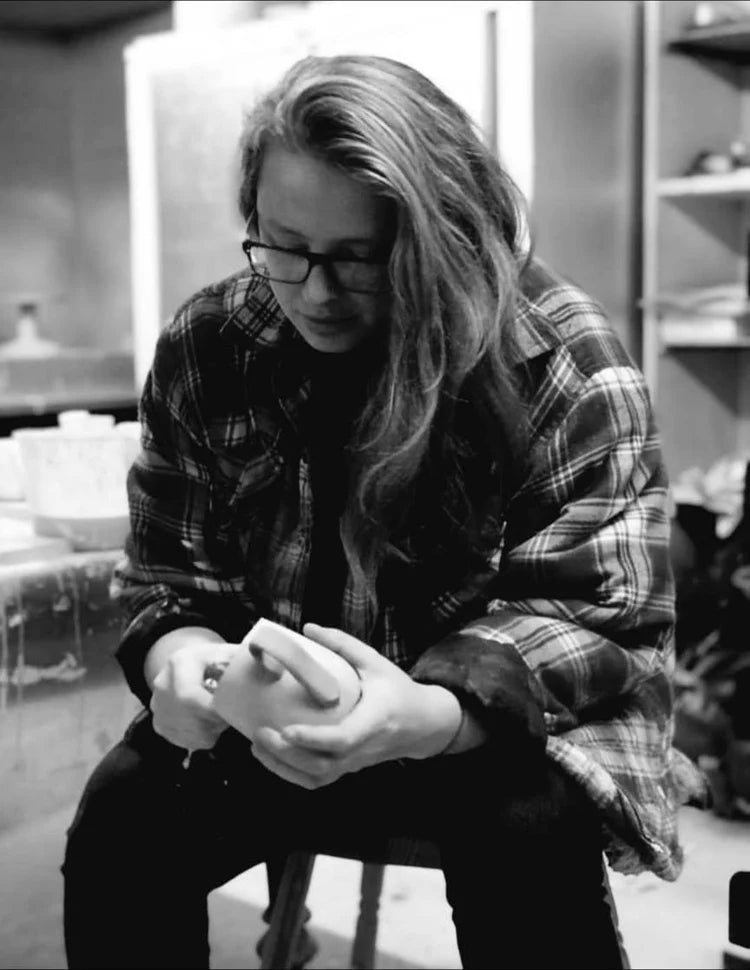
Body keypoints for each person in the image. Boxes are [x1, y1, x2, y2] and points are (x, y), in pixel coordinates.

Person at [62, 54, 708, 970]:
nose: (317, 292)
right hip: (279, 723)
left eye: (362, 258)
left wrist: (429, 713)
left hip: (476, 728)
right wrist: (180, 662)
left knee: (525, 827)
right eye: (285, 246)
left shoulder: (559, 358)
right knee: (125, 817)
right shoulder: (212, 347)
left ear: (445, 234)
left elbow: (599, 615)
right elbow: (170, 571)